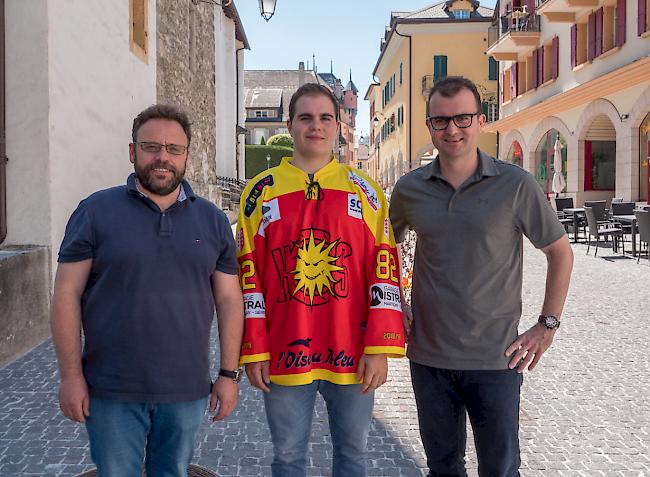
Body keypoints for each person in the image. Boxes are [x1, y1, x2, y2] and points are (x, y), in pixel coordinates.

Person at [389, 76, 574, 477]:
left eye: (462, 118)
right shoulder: (409, 190)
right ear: (429, 126)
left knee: (500, 469)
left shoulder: (515, 184)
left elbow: (559, 253)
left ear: (480, 120)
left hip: (496, 358)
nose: (451, 129)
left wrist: (548, 325)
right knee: (442, 468)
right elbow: (381, 252)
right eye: (440, 121)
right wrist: (395, 303)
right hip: (427, 356)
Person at [50, 104, 244, 476]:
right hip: (111, 390)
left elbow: (229, 299)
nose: (162, 158)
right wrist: (71, 376)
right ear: (132, 151)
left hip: (186, 391)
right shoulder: (95, 212)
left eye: (174, 149)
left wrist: (228, 375)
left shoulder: (213, 220)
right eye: (151, 146)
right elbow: (66, 295)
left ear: (186, 155)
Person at [236, 83, 406, 477]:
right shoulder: (259, 194)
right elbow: (250, 279)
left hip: (352, 353)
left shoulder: (366, 192)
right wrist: (256, 349)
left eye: (325, 117)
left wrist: (378, 347)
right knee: (288, 458)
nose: (316, 126)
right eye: (306, 118)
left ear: (340, 125)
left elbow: (384, 272)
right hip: (284, 352)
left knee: (353, 456)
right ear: (291, 125)